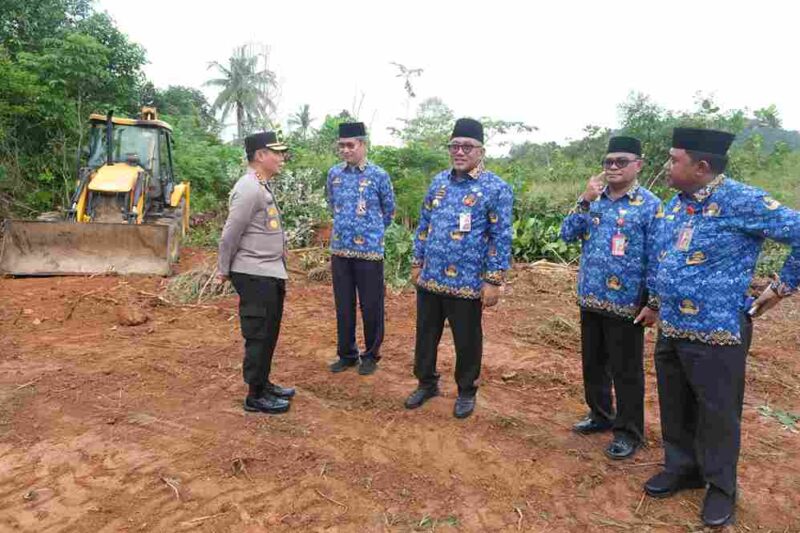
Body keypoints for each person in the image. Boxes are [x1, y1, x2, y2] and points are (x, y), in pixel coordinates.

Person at [637, 127, 800, 526]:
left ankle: (721, 486)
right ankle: (683, 468)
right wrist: (656, 304)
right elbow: (666, 259)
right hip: (672, 327)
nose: (667, 165)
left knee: (717, 412)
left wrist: (781, 288)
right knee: (675, 404)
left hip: (718, 331)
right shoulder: (674, 206)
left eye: (674, 159)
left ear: (702, 166)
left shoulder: (742, 200)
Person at [405, 118, 513, 419]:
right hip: (431, 277)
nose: (460, 152)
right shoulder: (439, 182)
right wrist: (417, 261)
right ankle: (426, 383)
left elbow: (501, 236)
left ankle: (467, 390)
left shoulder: (495, 188)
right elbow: (423, 225)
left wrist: (493, 280)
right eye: (455, 146)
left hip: (467, 281)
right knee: (425, 335)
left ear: (481, 151)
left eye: (467, 146)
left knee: (467, 339)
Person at [560, 136, 660, 459]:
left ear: (638, 165)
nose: (613, 167)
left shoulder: (650, 205)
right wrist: (584, 200)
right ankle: (600, 414)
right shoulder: (594, 200)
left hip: (627, 304)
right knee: (593, 363)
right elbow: (566, 234)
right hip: (591, 297)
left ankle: (629, 432)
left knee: (626, 370)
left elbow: (658, 257)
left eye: (621, 161)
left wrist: (653, 302)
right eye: (608, 162)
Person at [217, 131, 295, 414]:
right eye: (277, 152)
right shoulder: (248, 187)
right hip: (254, 274)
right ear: (260, 155)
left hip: (269, 273)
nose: (281, 157)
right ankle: (255, 396)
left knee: (269, 331)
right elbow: (230, 234)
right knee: (259, 333)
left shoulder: (261, 185)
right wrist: (222, 269)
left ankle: (264, 383)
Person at [325, 122, 395, 375]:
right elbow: (332, 205)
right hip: (340, 251)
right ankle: (347, 354)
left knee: (371, 305)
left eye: (350, 145)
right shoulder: (334, 174)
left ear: (362, 145)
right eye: (341, 146)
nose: (345, 150)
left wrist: (370, 231)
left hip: (370, 252)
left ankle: (371, 355)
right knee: (343, 305)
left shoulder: (379, 175)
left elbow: (389, 211)